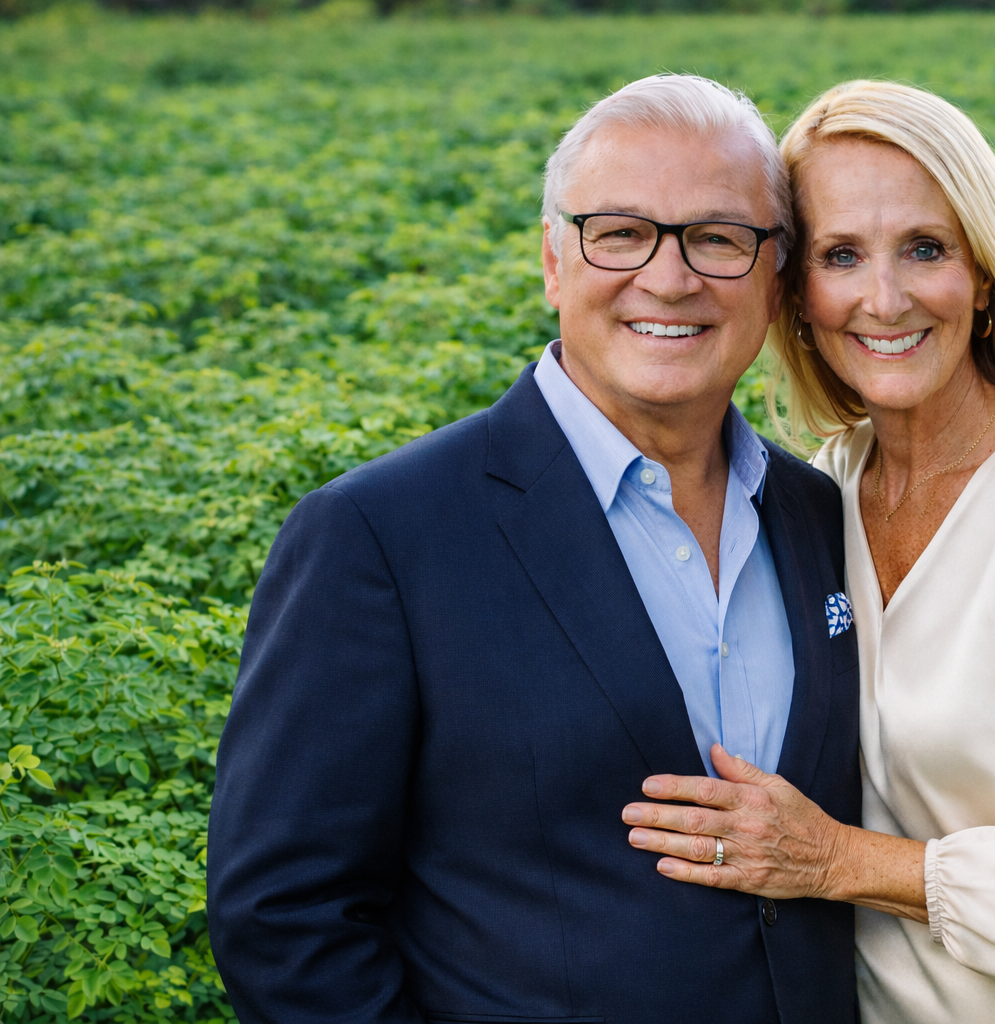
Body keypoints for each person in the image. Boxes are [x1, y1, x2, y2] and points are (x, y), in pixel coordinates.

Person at [206, 74, 861, 1024]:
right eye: (621, 232)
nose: (669, 278)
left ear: (776, 277)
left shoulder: (821, 514)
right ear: (555, 261)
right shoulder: (379, 536)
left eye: (718, 238)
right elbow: (284, 920)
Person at [621, 80, 995, 1022]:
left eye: (925, 249)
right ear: (796, 294)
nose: (884, 298)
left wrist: (837, 862)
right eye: (841, 255)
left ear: (982, 274)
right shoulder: (817, 493)